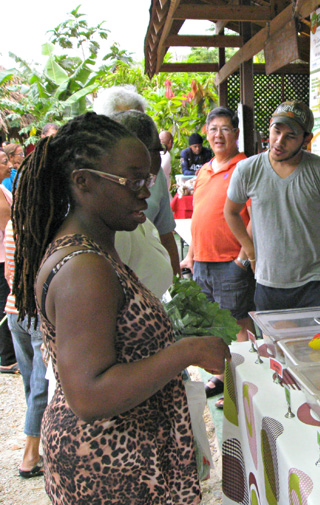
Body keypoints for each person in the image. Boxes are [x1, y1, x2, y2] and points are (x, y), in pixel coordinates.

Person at [11, 112, 230, 503]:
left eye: (147, 178)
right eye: (133, 181)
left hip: (124, 457)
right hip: (109, 465)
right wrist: (188, 351)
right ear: (83, 181)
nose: (146, 191)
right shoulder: (84, 269)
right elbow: (90, 395)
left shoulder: (96, 250)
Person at [224, 100, 320, 311]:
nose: (279, 141)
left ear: (306, 139)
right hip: (269, 281)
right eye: (276, 130)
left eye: (291, 136)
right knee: (273, 344)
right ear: (270, 125)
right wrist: (251, 252)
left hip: (317, 284)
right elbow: (231, 212)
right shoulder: (247, 170)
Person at [179, 107, 255, 399]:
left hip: (230, 263)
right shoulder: (204, 170)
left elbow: (255, 218)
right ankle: (224, 377)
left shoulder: (245, 167)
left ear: (236, 134)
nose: (218, 135)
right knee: (212, 324)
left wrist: (242, 259)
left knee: (237, 323)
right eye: (213, 129)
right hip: (203, 263)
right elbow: (200, 215)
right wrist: (191, 255)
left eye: (225, 128)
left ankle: (246, 384)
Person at [111, 110, 176, 295]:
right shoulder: (110, 230)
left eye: (150, 180)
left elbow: (166, 234)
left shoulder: (138, 218)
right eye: (137, 181)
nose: (147, 192)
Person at [5, 221, 48, 478]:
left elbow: (9, 270)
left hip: (14, 311)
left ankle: (36, 443)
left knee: (32, 386)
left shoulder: (13, 223)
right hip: (37, 313)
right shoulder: (45, 225)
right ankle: (30, 456)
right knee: (40, 386)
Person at [0, 150, 17, 374]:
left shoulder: (3, 188)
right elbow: (10, 230)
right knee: (4, 303)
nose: (10, 165)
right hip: (4, 259)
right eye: (5, 162)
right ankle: (6, 357)